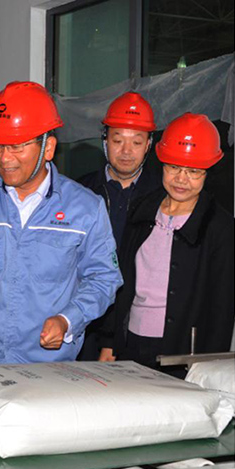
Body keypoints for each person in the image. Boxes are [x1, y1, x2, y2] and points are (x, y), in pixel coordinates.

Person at [0, 81, 123, 366]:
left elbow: (103, 278)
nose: (4, 158)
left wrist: (68, 320)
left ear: (48, 148)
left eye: (16, 146)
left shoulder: (85, 208)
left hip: (50, 368)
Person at [100, 113, 235, 374]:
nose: (181, 179)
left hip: (183, 352)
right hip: (131, 343)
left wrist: (210, 368)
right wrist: (111, 341)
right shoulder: (142, 210)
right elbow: (122, 280)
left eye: (193, 171)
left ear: (207, 172)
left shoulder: (220, 227)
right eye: (173, 167)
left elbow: (222, 307)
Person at [76, 91, 162, 361]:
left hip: (137, 326)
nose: (126, 151)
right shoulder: (80, 192)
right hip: (82, 323)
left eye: (136, 142)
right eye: (117, 140)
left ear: (148, 144)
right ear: (104, 140)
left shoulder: (162, 196)